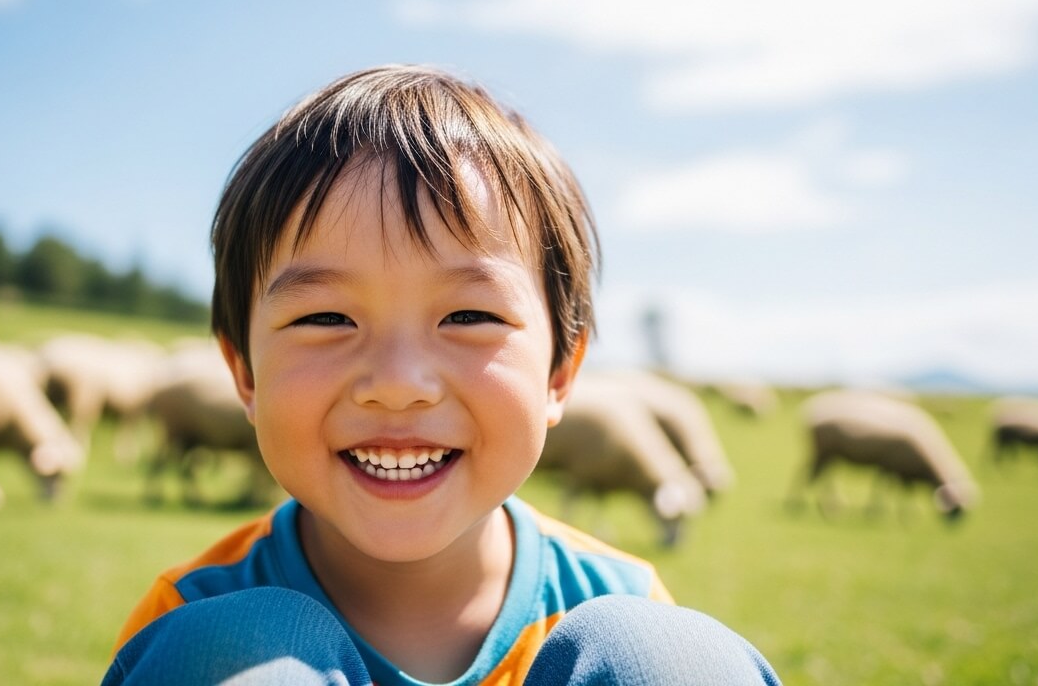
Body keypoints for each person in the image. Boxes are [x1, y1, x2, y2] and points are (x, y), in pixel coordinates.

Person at [103, 65, 780, 685]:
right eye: (327, 319)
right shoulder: (186, 618)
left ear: (560, 375)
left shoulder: (621, 610)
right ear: (243, 374)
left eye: (467, 314)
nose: (398, 383)